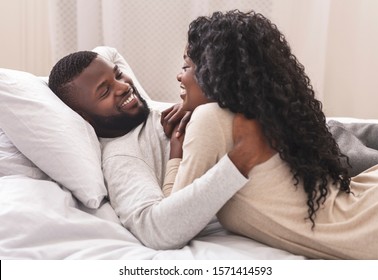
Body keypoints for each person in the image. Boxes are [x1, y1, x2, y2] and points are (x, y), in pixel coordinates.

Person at [166, 10, 378, 259]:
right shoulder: (264, 114)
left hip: (376, 221)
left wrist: (175, 153)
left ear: (212, 72)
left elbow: (170, 226)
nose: (179, 75)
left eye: (186, 66)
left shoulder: (210, 118)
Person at [47, 46, 267, 250]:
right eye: (104, 92)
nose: (123, 86)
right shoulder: (122, 156)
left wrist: (198, 106)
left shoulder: (166, 113)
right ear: (82, 117)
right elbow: (158, 231)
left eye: (117, 75)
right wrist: (239, 161)